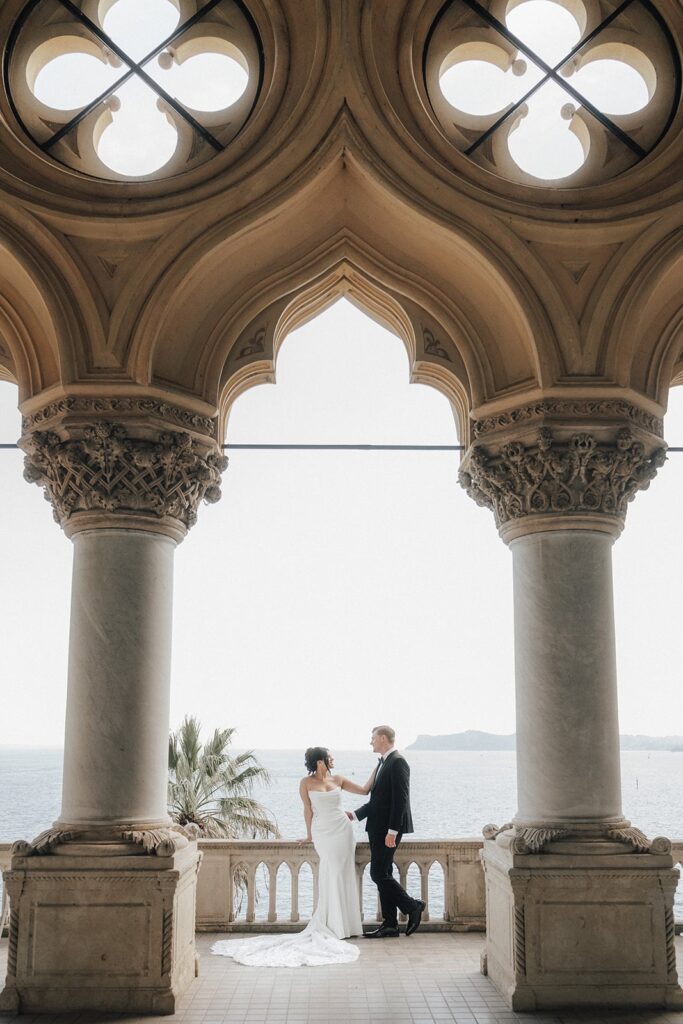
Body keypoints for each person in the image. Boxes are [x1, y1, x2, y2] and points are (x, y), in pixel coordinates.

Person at [211, 746, 375, 967]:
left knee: (344, 873)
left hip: (343, 830)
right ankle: (333, 924)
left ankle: (347, 926)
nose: (333, 759)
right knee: (332, 871)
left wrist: (379, 766)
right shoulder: (305, 783)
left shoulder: (339, 779)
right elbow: (307, 810)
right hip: (323, 832)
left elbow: (365, 791)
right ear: (320, 761)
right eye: (329, 757)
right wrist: (309, 835)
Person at [347, 725, 425, 938]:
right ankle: (390, 924)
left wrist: (392, 831)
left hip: (387, 830)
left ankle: (412, 906)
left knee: (378, 873)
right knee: (385, 874)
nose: (370, 742)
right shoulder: (382, 763)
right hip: (377, 827)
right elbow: (377, 801)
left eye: (372, 738)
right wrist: (353, 815)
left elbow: (400, 800)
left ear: (382, 738)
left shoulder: (398, 762)